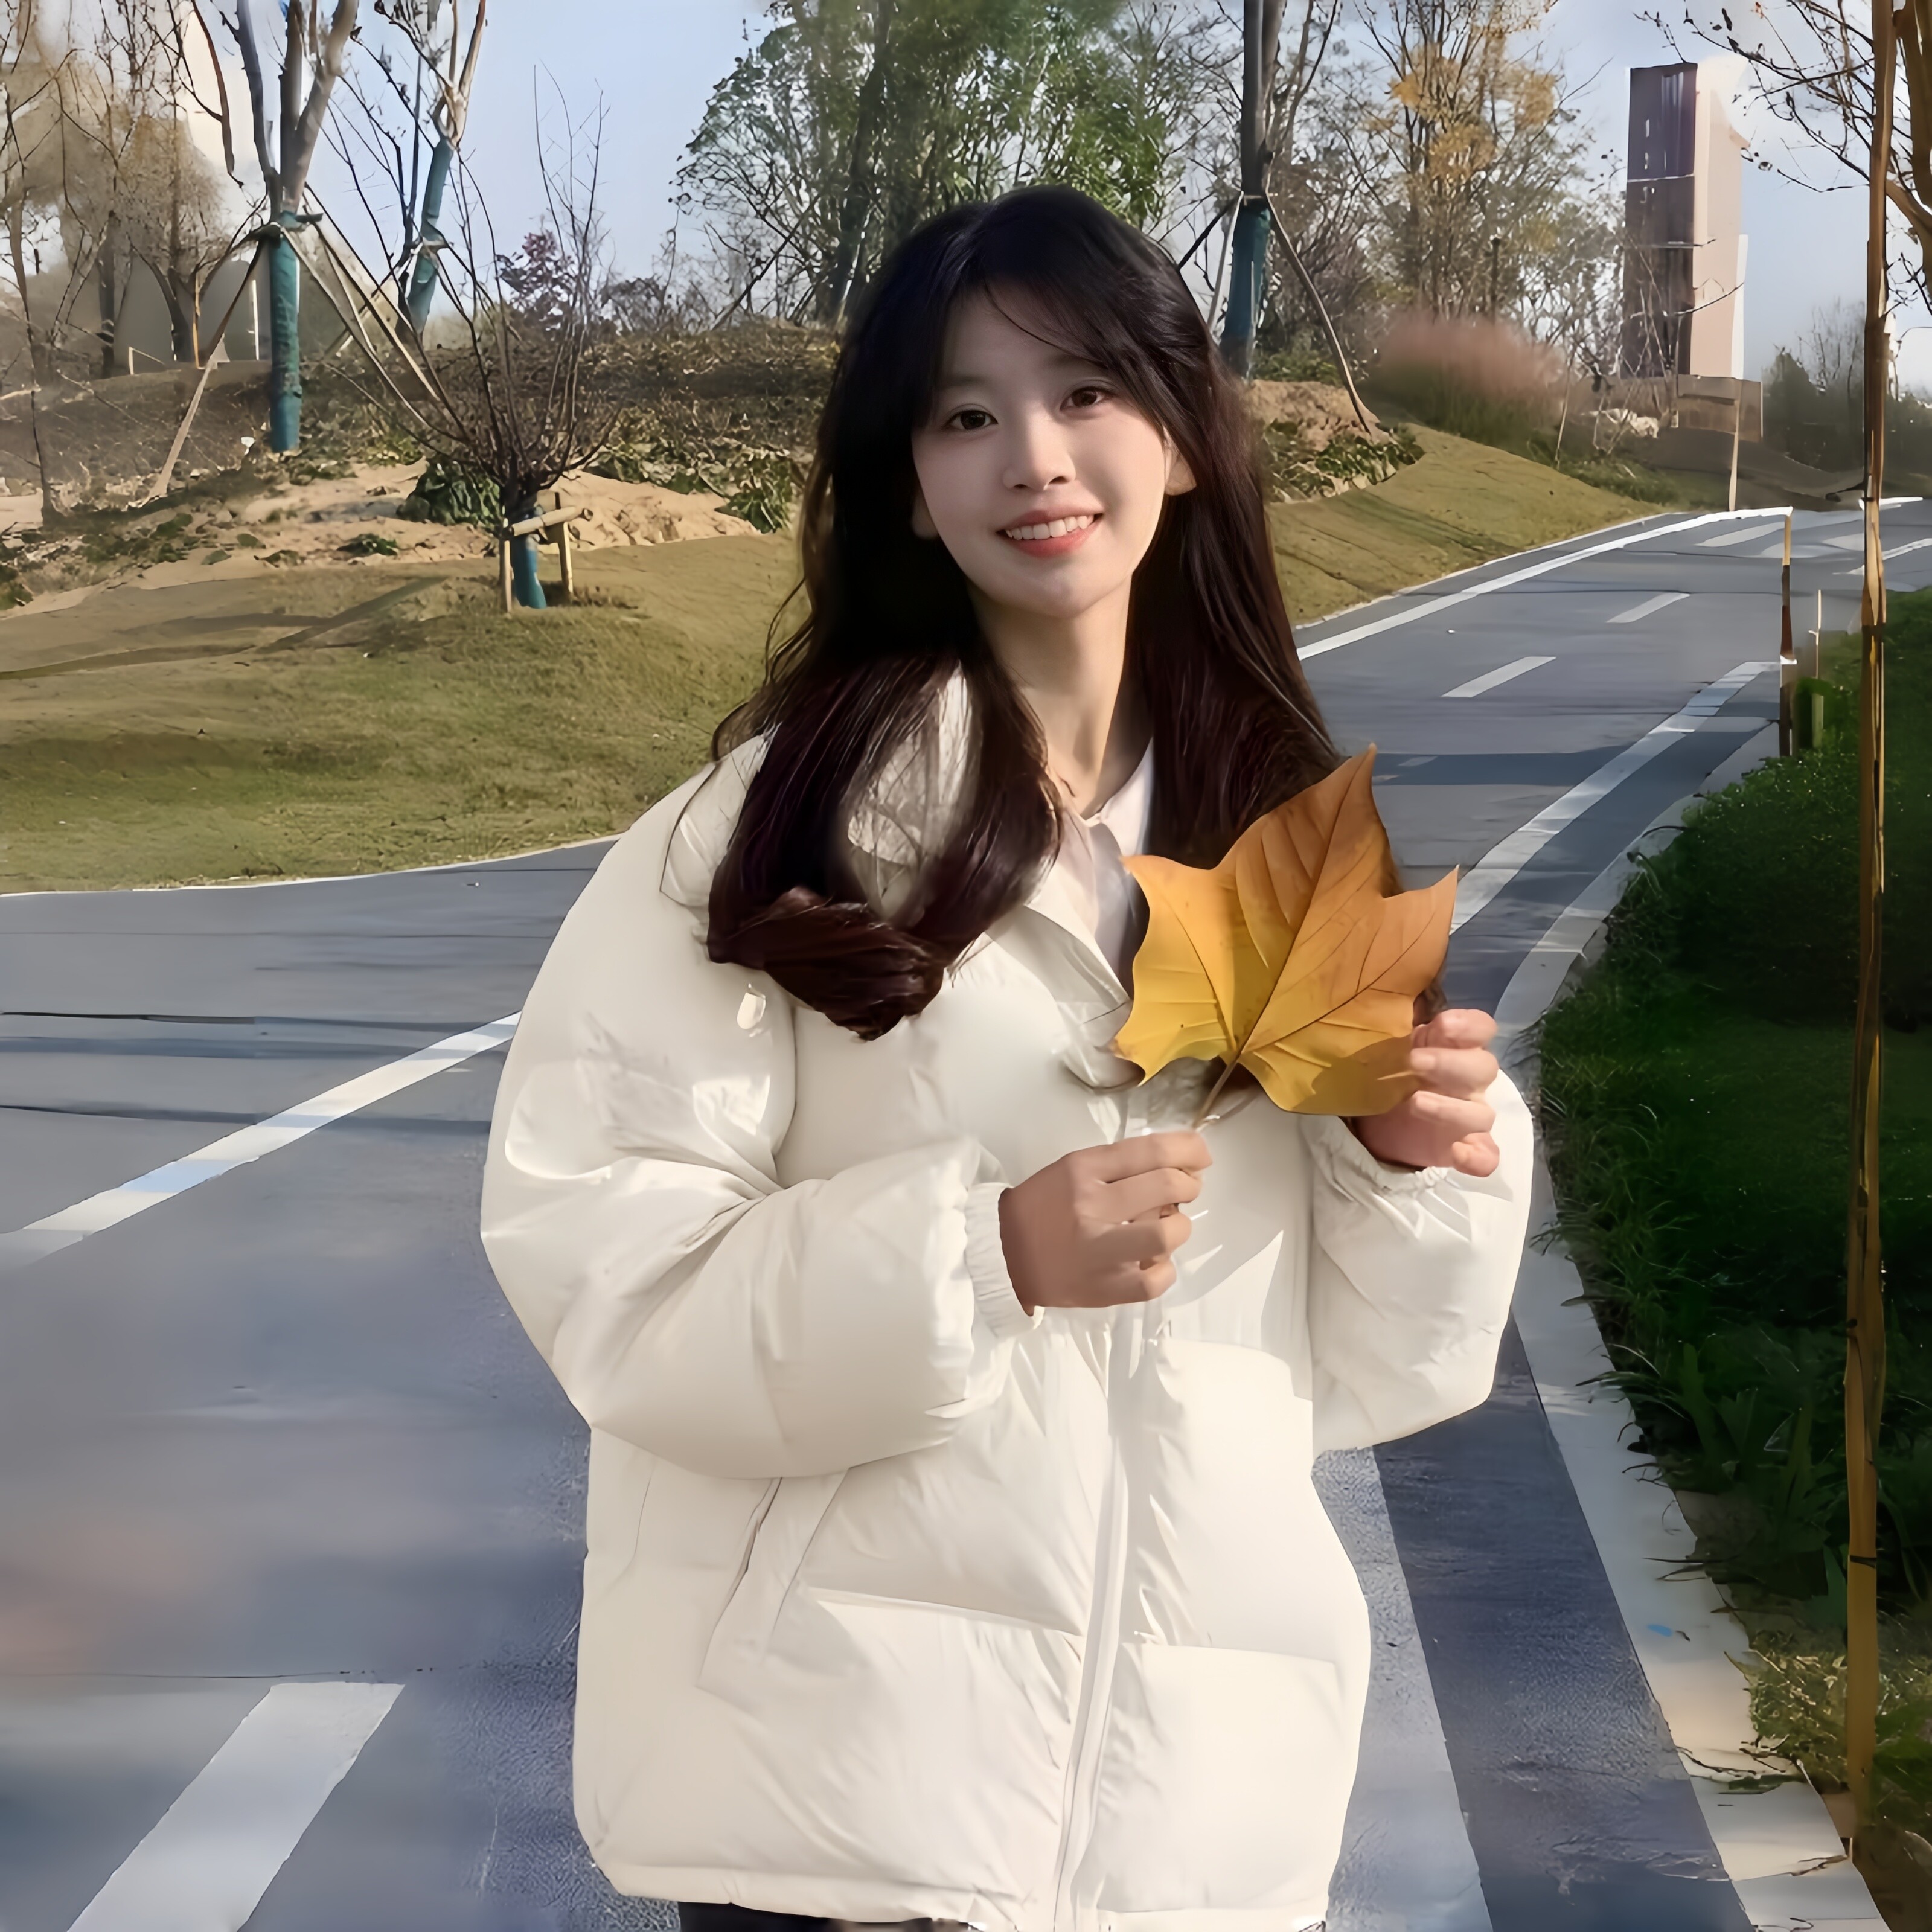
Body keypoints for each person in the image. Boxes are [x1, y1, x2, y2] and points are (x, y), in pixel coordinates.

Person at [481, 185, 1531, 1932]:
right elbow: (613, 1275)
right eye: (966, 416)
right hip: (836, 1812)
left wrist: (1409, 1167)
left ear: (1183, 435)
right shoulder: (764, 837)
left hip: (1192, 1838)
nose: (1035, 457)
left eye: (1086, 393)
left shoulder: (1288, 860)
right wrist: (984, 1260)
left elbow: (1373, 1376)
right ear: (910, 483)